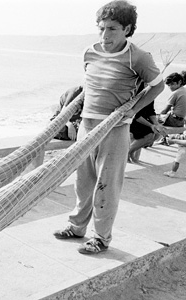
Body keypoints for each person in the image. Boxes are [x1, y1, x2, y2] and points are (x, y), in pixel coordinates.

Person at [53, 0, 165, 255]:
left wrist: (133, 111)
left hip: (114, 130)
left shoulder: (138, 56)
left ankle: (101, 238)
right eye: (101, 28)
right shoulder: (89, 52)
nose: (105, 35)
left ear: (127, 29)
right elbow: (90, 84)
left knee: (107, 184)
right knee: (83, 182)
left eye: (112, 29)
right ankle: (76, 227)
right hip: (87, 126)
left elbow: (157, 86)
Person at [127, 96, 164, 163]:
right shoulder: (138, 95)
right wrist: (151, 125)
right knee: (149, 135)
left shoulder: (151, 94)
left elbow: (151, 111)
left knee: (157, 133)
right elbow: (137, 116)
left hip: (142, 119)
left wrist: (156, 124)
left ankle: (131, 152)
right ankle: (129, 153)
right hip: (131, 119)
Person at [156, 72, 186, 145]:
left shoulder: (175, 93)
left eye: (172, 84)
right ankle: (166, 138)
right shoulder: (184, 90)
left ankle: (154, 139)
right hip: (182, 120)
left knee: (154, 120)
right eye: (169, 85)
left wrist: (158, 116)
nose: (170, 87)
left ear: (179, 82)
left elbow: (165, 110)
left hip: (174, 119)